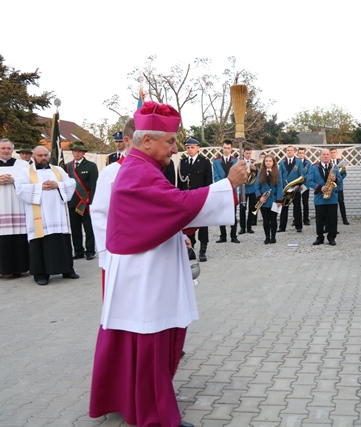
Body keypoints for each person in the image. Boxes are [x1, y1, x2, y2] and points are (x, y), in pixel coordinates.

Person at [89, 101, 246, 427]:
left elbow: (159, 214)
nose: (175, 149)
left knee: (142, 341)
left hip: (145, 267)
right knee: (149, 342)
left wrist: (177, 233)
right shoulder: (138, 170)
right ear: (147, 140)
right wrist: (228, 185)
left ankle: (135, 402)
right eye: (171, 141)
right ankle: (155, 415)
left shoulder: (141, 167)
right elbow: (176, 205)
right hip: (145, 274)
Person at [15, 146, 79, 286]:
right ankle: (41, 274)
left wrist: (58, 185)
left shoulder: (58, 170)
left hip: (58, 215)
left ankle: (67, 269)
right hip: (39, 217)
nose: (43, 158)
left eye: (45, 155)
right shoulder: (26, 172)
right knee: (39, 243)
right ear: (33, 157)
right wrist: (39, 187)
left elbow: (71, 183)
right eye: (40, 156)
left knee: (61, 241)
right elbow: (19, 188)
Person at [92, 118, 135, 298]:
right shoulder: (110, 172)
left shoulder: (155, 170)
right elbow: (99, 213)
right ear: (127, 141)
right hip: (118, 252)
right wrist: (108, 249)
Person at [178, 137, 213, 262]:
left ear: (198, 148)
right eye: (188, 148)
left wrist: (208, 198)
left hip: (200, 198)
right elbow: (180, 183)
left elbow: (208, 182)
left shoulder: (204, 162)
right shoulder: (183, 163)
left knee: (203, 225)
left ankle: (203, 250)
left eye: (192, 147)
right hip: (187, 199)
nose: (190, 150)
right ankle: (190, 249)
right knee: (189, 225)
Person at [0, 139, 30, 277]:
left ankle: (19, 268)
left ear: (12, 150)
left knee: (18, 237)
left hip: (17, 207)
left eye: (8, 148)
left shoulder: (22, 165)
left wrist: (14, 181)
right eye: (3, 148)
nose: (6, 151)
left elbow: (29, 182)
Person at [66, 141, 99, 260]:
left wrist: (92, 202)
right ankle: (78, 250)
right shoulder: (67, 166)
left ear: (84, 153)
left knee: (88, 228)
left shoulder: (91, 166)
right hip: (72, 202)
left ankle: (90, 251)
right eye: (75, 151)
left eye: (79, 151)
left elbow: (94, 185)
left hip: (86, 202)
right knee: (75, 229)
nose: (77, 153)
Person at [308, 148, 342, 246]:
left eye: (327, 154)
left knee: (332, 219)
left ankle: (332, 237)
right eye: (324, 154)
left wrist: (335, 179)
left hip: (332, 198)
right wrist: (319, 187)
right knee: (319, 219)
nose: (326, 156)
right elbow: (309, 181)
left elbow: (340, 179)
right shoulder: (313, 168)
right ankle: (320, 237)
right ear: (320, 156)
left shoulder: (334, 167)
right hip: (320, 198)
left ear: (330, 156)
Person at [213, 140, 240, 243]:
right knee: (221, 214)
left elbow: (237, 176)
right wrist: (223, 185)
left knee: (233, 214)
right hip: (221, 190)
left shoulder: (235, 161)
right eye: (225, 148)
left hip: (232, 190)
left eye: (228, 148)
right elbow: (215, 176)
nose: (226, 150)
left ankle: (233, 236)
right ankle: (223, 236)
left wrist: (230, 184)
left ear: (231, 149)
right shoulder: (216, 161)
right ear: (222, 148)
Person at [256, 154, 283, 244]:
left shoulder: (277, 173)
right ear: (264, 162)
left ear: (273, 162)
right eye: (266, 161)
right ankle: (267, 237)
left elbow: (280, 187)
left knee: (273, 219)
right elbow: (257, 186)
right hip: (264, 201)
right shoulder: (260, 173)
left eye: (270, 161)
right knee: (266, 220)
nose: (268, 162)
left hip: (274, 200)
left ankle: (273, 237)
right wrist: (259, 197)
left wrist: (279, 199)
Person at [278, 145, 304, 232]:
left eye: (291, 150)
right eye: (288, 150)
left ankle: (298, 226)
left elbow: (302, 174)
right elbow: (280, 176)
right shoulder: (282, 162)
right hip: (285, 189)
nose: (289, 151)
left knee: (297, 208)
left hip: (295, 188)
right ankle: (282, 227)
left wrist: (299, 185)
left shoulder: (299, 162)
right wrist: (282, 188)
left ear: (294, 152)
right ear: (286, 152)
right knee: (284, 208)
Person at [238, 147, 257, 235]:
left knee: (252, 208)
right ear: (243, 153)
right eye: (247, 153)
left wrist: (254, 169)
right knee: (242, 208)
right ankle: (242, 227)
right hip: (243, 188)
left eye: (250, 153)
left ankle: (249, 227)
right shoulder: (240, 162)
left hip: (252, 188)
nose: (248, 155)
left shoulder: (254, 162)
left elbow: (257, 175)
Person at [330, 147, 349, 225]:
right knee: (332, 204)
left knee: (341, 202)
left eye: (334, 152)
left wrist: (339, 179)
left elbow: (344, 173)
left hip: (339, 186)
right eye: (331, 152)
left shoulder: (340, 162)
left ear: (336, 153)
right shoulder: (328, 162)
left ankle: (344, 219)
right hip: (331, 186)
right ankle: (332, 220)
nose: (333, 154)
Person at [297, 147, 312, 226]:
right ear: (297, 153)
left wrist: (302, 182)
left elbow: (309, 174)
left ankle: (306, 219)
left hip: (305, 186)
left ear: (304, 154)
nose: (301, 154)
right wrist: (297, 183)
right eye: (300, 153)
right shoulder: (295, 162)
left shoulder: (308, 163)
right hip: (296, 186)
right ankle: (296, 219)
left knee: (305, 203)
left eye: (302, 153)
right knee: (297, 203)